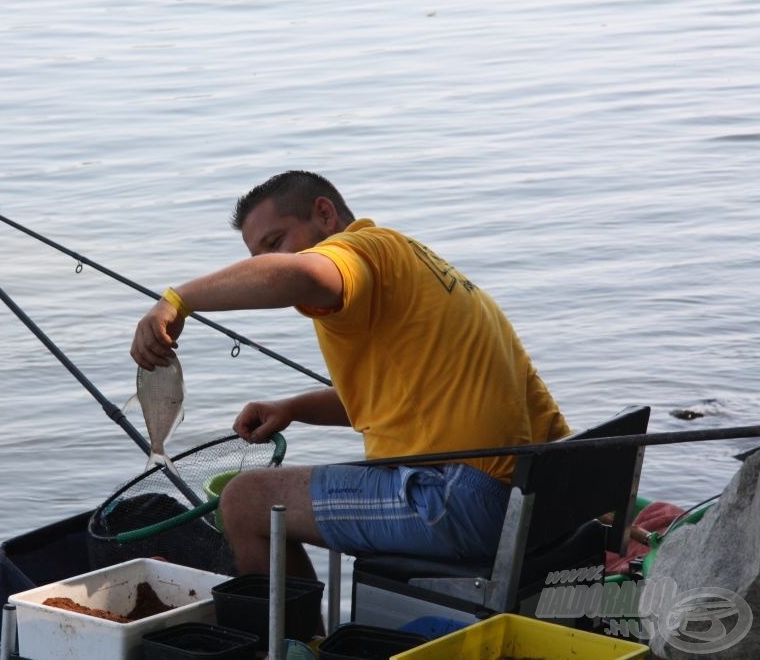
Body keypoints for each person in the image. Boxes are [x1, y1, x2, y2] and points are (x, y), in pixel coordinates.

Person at [130, 170, 570, 579]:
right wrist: (294, 408)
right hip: (531, 499)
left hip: (456, 498)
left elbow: (302, 274)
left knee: (245, 501)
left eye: (275, 242)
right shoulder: (415, 268)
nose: (267, 263)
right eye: (256, 257)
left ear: (325, 214)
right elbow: (396, 400)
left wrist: (177, 299)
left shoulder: (362, 252)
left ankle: (296, 644)